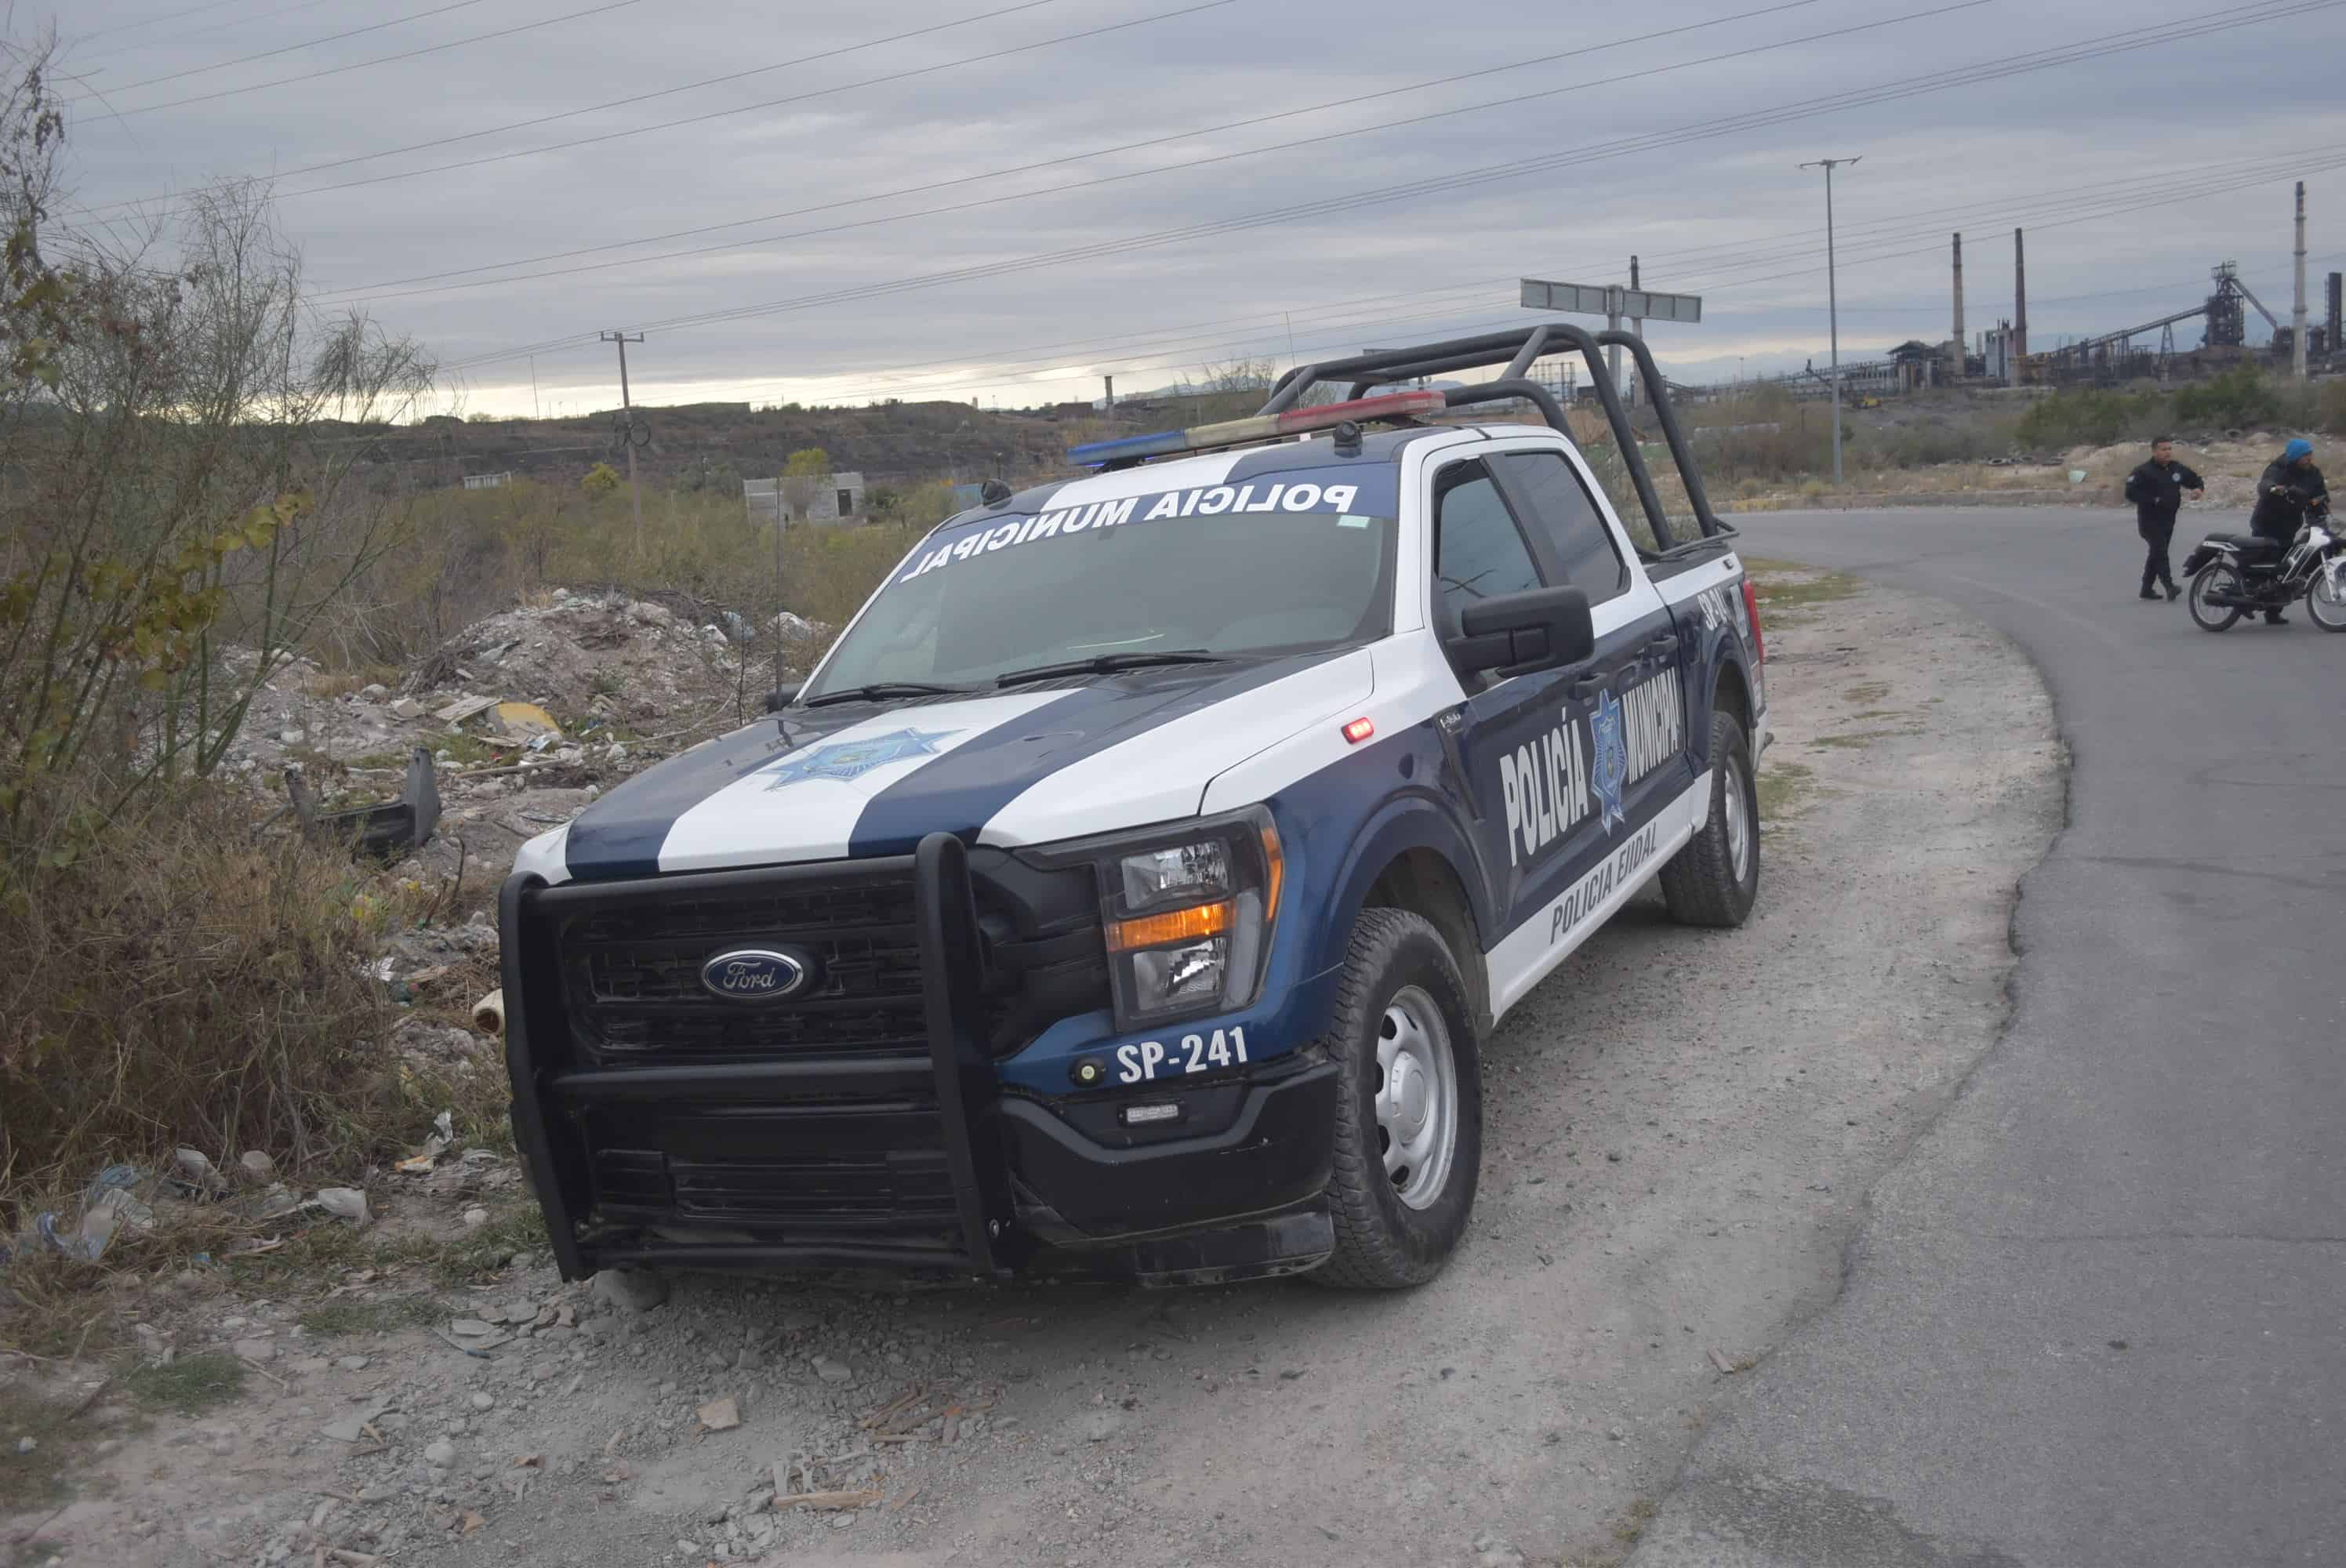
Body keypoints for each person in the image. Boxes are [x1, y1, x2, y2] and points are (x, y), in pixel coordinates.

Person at [2248, 438, 2330, 626]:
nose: (2309, 458)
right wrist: (2274, 488)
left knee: (2284, 571)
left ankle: (2273, 612)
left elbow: (2320, 494)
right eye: (2305, 455)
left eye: (2310, 454)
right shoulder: (2279, 468)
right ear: (2295, 456)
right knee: (2261, 567)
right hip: (2266, 524)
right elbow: (2265, 484)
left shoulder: (2314, 473)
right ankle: (2247, 599)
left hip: (2289, 526)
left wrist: (2321, 505)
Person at [2122, 437, 2204, 600]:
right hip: (2149, 521)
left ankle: (2146, 589)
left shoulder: (2176, 468)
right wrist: (2153, 500)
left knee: (2157, 553)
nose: (2167, 452)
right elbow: (2130, 493)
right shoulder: (2143, 471)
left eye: (2169, 449)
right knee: (2160, 551)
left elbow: (2194, 479)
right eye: (2163, 449)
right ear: (2154, 452)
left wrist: (2198, 489)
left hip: (2168, 520)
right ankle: (2169, 586)